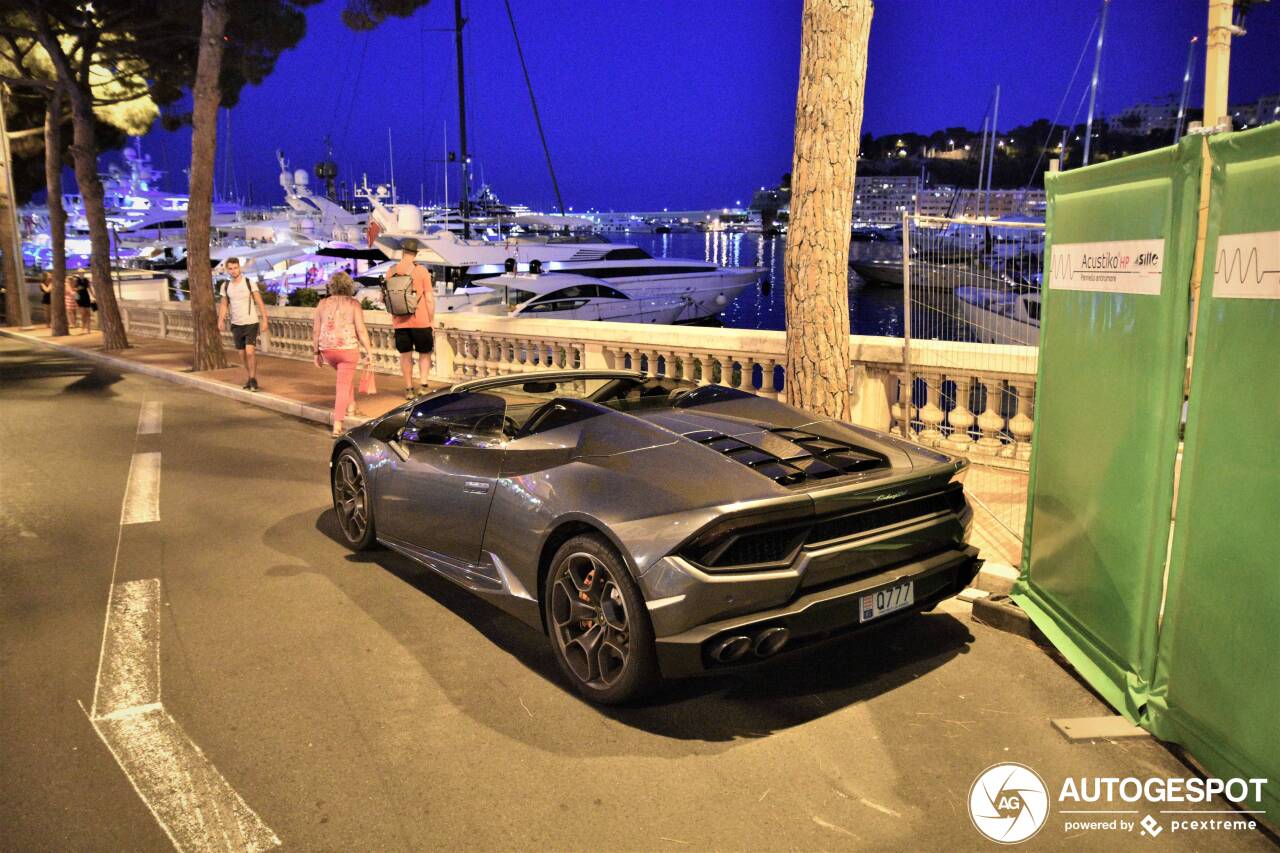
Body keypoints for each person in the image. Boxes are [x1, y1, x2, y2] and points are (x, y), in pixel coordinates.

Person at [312, 271, 371, 436]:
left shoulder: (322, 304)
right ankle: (337, 424)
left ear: (331, 286)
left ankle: (351, 405)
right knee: (343, 385)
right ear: (348, 286)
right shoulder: (353, 304)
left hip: (328, 350)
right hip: (348, 350)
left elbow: (316, 330)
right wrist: (369, 351)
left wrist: (315, 352)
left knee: (344, 378)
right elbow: (361, 330)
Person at [388, 237, 436, 399]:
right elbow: (429, 298)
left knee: (405, 355)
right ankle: (423, 385)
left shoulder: (391, 271)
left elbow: (383, 298)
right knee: (424, 353)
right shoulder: (421, 271)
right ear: (415, 254)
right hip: (420, 321)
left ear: (402, 253)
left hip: (399, 321)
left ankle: (408, 388)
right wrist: (431, 320)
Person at [216, 257, 269, 391]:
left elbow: (259, 302)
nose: (233, 271)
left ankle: (253, 378)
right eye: (230, 269)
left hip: (251, 322)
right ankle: (249, 377)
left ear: (239, 268)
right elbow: (224, 304)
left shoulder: (249, 283)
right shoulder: (226, 286)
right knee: (241, 354)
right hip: (236, 323)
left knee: (250, 352)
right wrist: (220, 320)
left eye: (235, 268)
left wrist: (265, 320)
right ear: (227, 270)